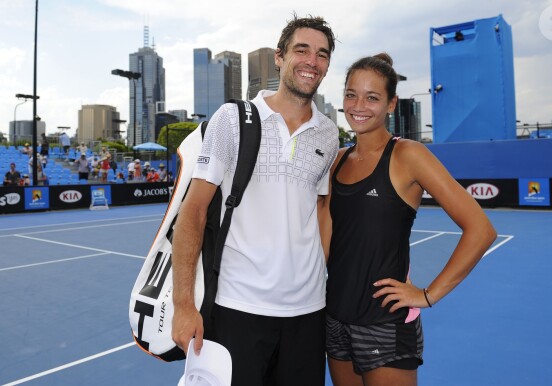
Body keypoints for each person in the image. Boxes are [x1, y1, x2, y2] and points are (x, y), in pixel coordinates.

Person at [171, 14, 339, 386]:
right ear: (279, 57)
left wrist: (321, 274)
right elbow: (194, 211)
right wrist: (183, 304)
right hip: (237, 310)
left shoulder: (329, 133)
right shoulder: (233, 120)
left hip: (309, 314)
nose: (312, 61)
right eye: (302, 50)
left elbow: (321, 209)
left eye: (322, 54)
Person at [319, 53, 497, 386]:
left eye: (372, 97)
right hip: (335, 319)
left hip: (385, 323)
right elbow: (325, 244)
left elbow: (481, 229)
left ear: (391, 103)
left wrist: (429, 294)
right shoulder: (337, 161)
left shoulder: (408, 155)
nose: (359, 105)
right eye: (351, 94)